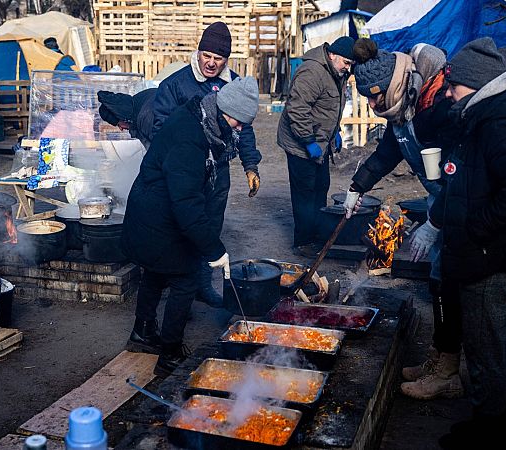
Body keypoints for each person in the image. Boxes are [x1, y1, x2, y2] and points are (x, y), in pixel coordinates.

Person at [409, 37, 506, 449]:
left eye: (454, 86)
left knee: (487, 347)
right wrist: (438, 221)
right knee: (481, 342)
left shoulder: (499, 126)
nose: (448, 92)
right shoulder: (480, 117)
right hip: (484, 253)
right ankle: (487, 422)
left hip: (495, 259)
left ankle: (491, 434)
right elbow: (464, 183)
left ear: (476, 84)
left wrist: (474, 228)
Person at [346, 39, 464, 400]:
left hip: (460, 205)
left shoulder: (439, 106)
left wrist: (435, 223)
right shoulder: (403, 107)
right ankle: (440, 358)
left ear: (392, 86)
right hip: (441, 202)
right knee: (438, 281)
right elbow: (387, 152)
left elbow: (460, 178)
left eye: (374, 97)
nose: (371, 105)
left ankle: (448, 372)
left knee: (449, 283)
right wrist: (357, 186)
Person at [121, 77, 259, 376]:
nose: (239, 128)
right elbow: (186, 202)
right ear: (225, 109)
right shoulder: (189, 138)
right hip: (159, 216)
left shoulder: (200, 116)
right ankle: (169, 353)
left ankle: (143, 332)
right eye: (238, 121)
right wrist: (214, 249)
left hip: (152, 210)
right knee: (185, 279)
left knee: (155, 273)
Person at [151, 21, 262, 308]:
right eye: (207, 56)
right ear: (198, 52)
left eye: (219, 58)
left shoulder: (233, 84)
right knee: (182, 228)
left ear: (227, 59)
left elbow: (244, 129)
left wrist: (250, 165)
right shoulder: (176, 85)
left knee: (209, 228)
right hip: (186, 174)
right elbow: (160, 130)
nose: (211, 63)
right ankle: (180, 295)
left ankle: (201, 286)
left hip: (218, 172)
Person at [276, 36, 355, 257]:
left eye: (351, 64)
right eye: (346, 63)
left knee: (321, 186)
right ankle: (303, 242)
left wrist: (335, 131)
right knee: (305, 192)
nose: (348, 68)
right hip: (300, 143)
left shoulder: (337, 73)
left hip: (320, 140)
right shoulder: (312, 72)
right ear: (332, 54)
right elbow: (297, 110)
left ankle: (317, 236)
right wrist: (308, 140)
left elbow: (330, 107)